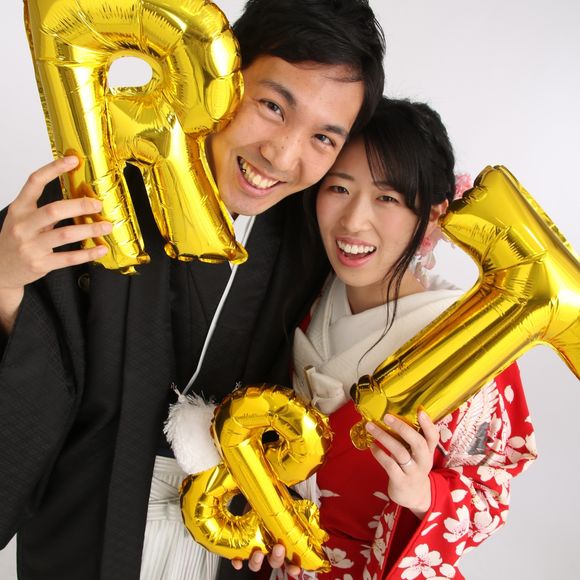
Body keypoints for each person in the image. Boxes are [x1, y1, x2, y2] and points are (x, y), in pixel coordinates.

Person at [0, 1, 385, 579]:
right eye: (273, 106)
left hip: (223, 545)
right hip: (91, 528)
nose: (282, 155)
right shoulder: (99, 195)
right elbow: (34, 386)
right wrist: (4, 280)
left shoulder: (310, 241)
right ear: (219, 78)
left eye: (323, 138)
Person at [284, 97, 538, 578]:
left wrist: (424, 494)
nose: (353, 220)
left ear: (434, 215)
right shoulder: (303, 294)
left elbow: (491, 485)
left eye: (387, 198)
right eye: (338, 187)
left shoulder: (471, 342)